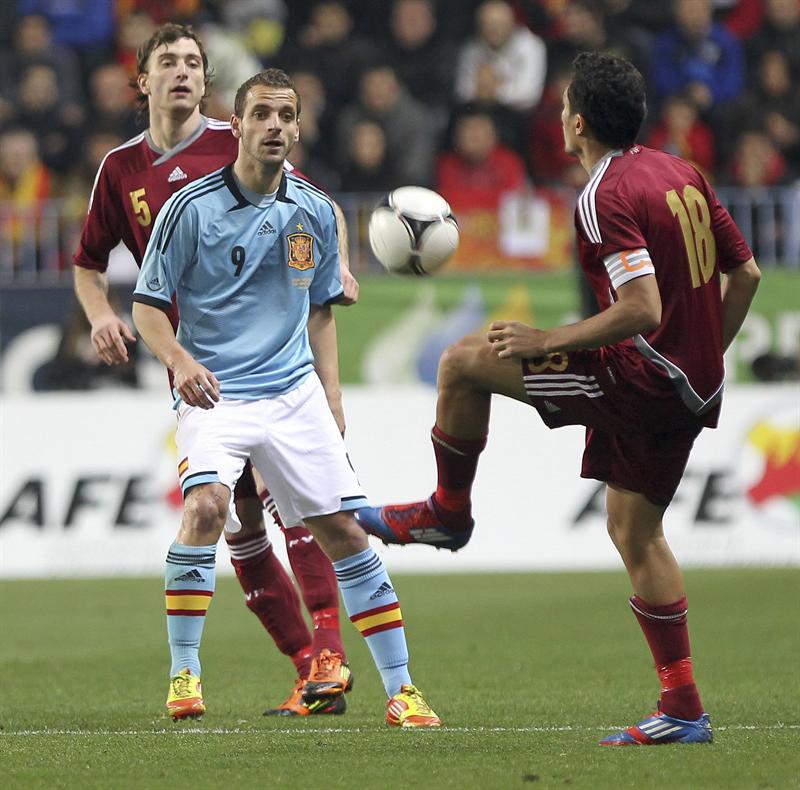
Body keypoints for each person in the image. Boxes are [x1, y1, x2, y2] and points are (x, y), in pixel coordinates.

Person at [357, 52, 761, 745]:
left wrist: (547, 338)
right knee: (635, 531)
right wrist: (704, 355)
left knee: (461, 364)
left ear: (577, 122)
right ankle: (683, 708)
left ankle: (447, 513)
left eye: (565, 104)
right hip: (692, 386)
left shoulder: (604, 195)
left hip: (641, 379)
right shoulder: (681, 172)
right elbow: (745, 272)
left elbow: (640, 307)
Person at [131, 68, 441, 728]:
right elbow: (147, 306)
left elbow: (321, 309)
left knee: (343, 532)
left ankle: (403, 691)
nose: (274, 125)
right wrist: (180, 360)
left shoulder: (315, 211)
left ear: (298, 128)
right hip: (216, 394)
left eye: (286, 115)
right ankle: (184, 671)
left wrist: (332, 394)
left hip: (293, 393)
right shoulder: (189, 209)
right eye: (261, 114)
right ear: (236, 125)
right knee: (209, 507)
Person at [71, 23, 358, 718]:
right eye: (168, 62)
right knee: (234, 521)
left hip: (265, 363)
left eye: (194, 63)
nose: (183, 72)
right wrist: (101, 314)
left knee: (287, 500)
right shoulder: (121, 169)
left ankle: (329, 656)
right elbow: (88, 262)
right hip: (192, 367)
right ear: (142, 81)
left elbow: (319, 209)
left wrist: (341, 265)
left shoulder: (236, 141)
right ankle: (309, 670)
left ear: (207, 81)